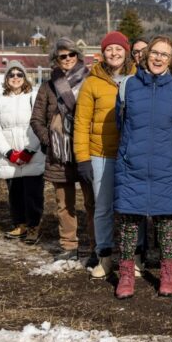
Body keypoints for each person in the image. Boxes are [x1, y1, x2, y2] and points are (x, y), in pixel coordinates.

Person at [114, 36, 172, 299]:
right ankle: (126, 275)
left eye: (165, 55)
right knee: (129, 223)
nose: (158, 58)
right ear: (144, 55)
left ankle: (168, 273)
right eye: (154, 53)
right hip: (132, 164)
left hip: (165, 165)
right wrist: (129, 150)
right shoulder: (128, 85)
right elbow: (119, 122)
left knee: (166, 223)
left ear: (171, 59)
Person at [31, 38, 95, 262]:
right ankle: (69, 245)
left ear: (77, 56)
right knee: (64, 204)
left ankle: (96, 244)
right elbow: (36, 119)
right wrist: (49, 140)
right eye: (62, 56)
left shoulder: (90, 81)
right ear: (55, 60)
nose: (67, 59)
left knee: (92, 202)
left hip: (86, 149)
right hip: (59, 155)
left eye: (71, 55)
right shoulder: (48, 86)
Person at [74, 31, 133, 276]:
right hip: (101, 154)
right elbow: (81, 122)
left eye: (119, 48)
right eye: (109, 49)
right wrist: (83, 158)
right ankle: (105, 255)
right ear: (102, 53)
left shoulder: (137, 78)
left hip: (130, 153)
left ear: (126, 51)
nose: (114, 53)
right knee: (103, 206)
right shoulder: (92, 82)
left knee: (132, 207)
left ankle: (133, 256)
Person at [0, 61, 46, 243]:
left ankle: (34, 225)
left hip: (32, 154)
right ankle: (19, 223)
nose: (15, 78)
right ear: (6, 79)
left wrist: (29, 151)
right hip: (10, 156)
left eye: (19, 74)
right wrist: (8, 152)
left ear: (24, 77)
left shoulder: (34, 96)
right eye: (11, 75)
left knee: (33, 192)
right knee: (15, 192)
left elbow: (40, 125)